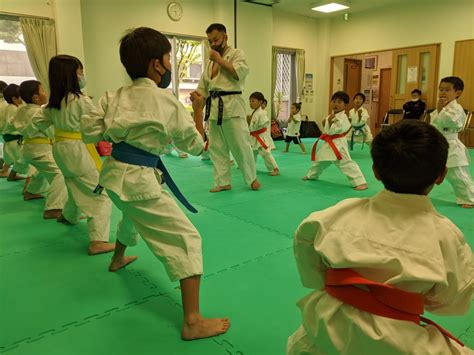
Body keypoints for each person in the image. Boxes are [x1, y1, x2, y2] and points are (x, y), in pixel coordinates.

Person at [81, 27, 230, 340]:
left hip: (112, 177)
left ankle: (118, 256)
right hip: (138, 181)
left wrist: (114, 133)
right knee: (187, 238)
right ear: (156, 65)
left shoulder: (112, 95)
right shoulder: (166, 101)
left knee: (130, 214)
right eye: (168, 58)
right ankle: (192, 321)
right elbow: (192, 145)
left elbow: (89, 132)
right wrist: (198, 110)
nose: (170, 66)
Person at [288, 119, 473, 355]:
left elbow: (311, 273)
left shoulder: (330, 217)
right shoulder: (447, 237)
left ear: (375, 171)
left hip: (322, 327)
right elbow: (451, 303)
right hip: (399, 342)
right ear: (441, 176)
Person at [28, 55, 114, 255]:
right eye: (80, 72)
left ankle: (68, 216)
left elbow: (34, 125)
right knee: (100, 195)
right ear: (71, 76)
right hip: (78, 151)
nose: (83, 76)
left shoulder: (52, 104)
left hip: (60, 149)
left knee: (73, 184)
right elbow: (99, 124)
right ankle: (98, 241)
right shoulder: (81, 101)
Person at [191, 23, 259, 193]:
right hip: (214, 108)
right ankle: (223, 182)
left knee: (240, 145)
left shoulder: (236, 54)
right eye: (209, 41)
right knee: (217, 148)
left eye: (216, 39)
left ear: (225, 37)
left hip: (232, 105)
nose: (212, 44)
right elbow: (204, 87)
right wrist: (197, 96)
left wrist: (219, 60)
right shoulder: (209, 63)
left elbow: (239, 73)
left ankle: (252, 178)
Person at [14, 80, 67, 219]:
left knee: (42, 171)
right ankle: (54, 207)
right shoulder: (39, 112)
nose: (46, 93)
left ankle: (31, 191)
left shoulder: (22, 110)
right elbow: (50, 131)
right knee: (60, 173)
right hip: (40, 150)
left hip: (30, 149)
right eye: (43, 90)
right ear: (35, 97)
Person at [303, 91, 367, 190]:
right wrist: (326, 122)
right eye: (334, 101)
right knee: (319, 161)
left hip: (338, 144)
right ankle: (312, 175)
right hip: (329, 143)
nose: (336, 104)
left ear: (345, 105)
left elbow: (335, 131)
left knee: (346, 163)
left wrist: (328, 122)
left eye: (339, 102)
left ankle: (360, 182)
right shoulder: (331, 115)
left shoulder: (343, 117)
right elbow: (327, 131)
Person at [430, 76, 474, 208]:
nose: (443, 92)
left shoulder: (457, 108)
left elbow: (453, 123)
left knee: (458, 175)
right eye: (441, 89)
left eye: (447, 90)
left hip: (451, 145)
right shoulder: (441, 108)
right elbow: (434, 124)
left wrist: (440, 110)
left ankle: (470, 199)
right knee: (425, 169)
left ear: (457, 93)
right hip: (437, 144)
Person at [248, 92, 279, 176]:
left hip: (260, 137)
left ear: (260, 102)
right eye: (250, 101)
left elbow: (254, 127)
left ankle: (275, 168)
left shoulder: (260, 113)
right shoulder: (256, 112)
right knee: (252, 152)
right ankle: (251, 167)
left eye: (253, 101)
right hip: (255, 136)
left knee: (265, 153)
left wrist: (249, 122)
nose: (251, 103)